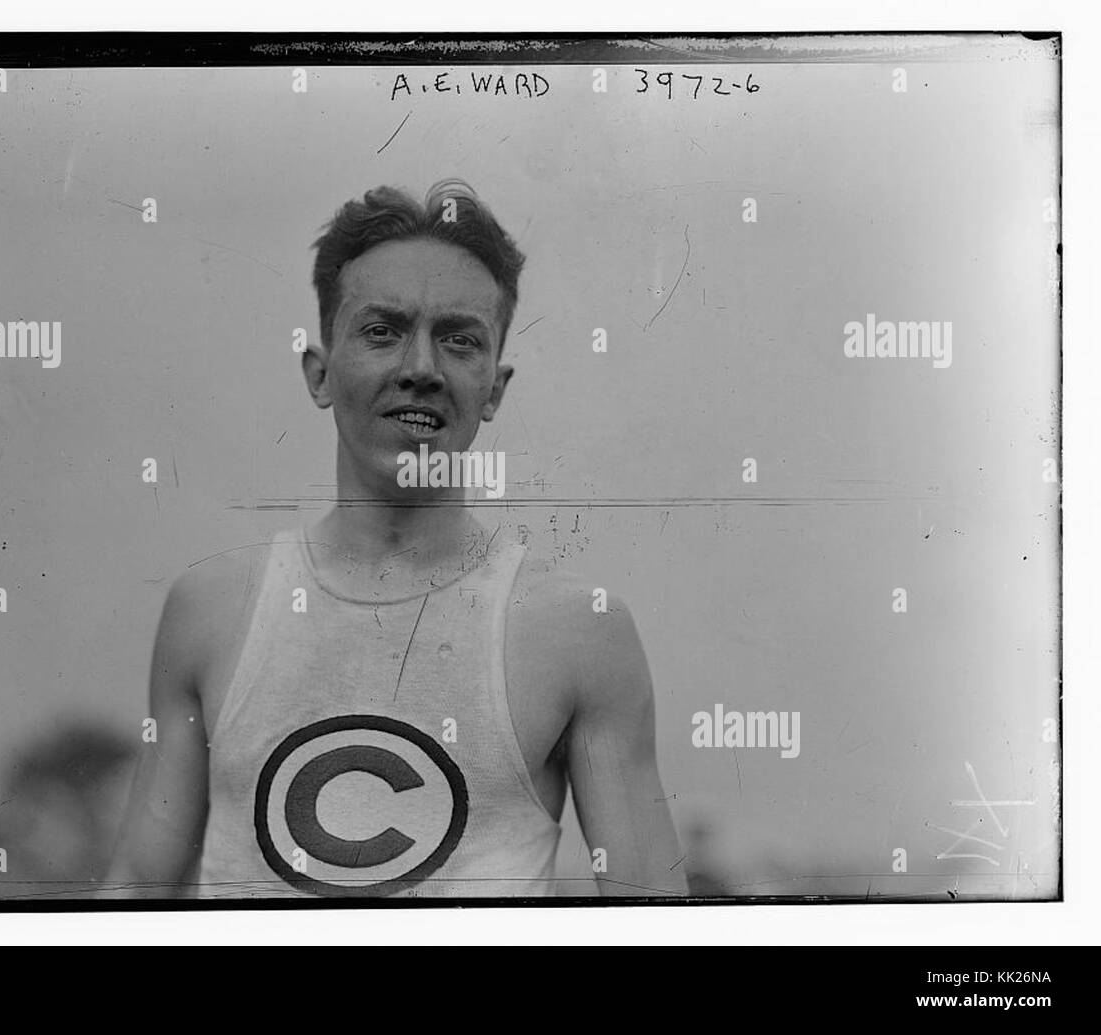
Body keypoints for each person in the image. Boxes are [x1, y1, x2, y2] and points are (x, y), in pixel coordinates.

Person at [107, 180, 686, 898]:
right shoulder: (212, 610)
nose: (420, 368)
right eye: (382, 330)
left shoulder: (576, 632)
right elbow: (137, 887)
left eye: (459, 338)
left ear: (495, 388)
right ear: (320, 374)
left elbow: (654, 920)